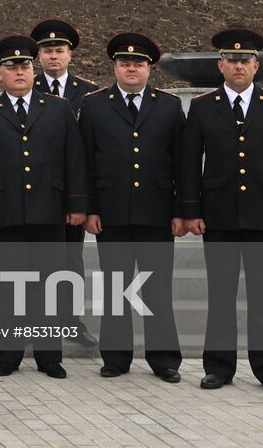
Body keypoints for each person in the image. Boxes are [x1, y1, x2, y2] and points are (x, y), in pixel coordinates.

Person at [180, 28, 263, 396]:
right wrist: (191, 211)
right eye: (231, 60)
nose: (238, 65)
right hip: (217, 214)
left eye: (245, 60)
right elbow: (190, 163)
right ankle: (218, 367)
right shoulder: (203, 107)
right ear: (220, 65)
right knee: (221, 294)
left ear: (256, 66)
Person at [0, 35, 88, 380]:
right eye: (11, 67)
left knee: (49, 287)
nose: (19, 72)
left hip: (50, 210)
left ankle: (49, 357)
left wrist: (77, 204)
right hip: (6, 212)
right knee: (9, 286)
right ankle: (7, 355)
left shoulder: (58, 108)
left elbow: (74, 159)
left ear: (33, 71)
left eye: (25, 66)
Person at [79, 32, 185, 383]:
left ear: (149, 69)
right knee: (115, 289)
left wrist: (180, 211)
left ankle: (164, 358)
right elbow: (86, 163)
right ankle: (116, 357)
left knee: (157, 289)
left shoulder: (169, 105)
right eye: (125, 63)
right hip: (111, 213)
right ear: (115, 67)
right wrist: (90, 209)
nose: (131, 68)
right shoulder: (94, 104)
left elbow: (181, 164)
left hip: (156, 212)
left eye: (138, 64)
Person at [30, 18, 98, 345]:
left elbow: (91, 150)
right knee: (34, 259)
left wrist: (83, 199)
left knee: (71, 260)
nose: (53, 56)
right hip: (37, 190)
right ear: (38, 57)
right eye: (47, 51)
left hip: (72, 191)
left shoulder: (89, 94)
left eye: (59, 50)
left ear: (70, 55)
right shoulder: (27, 89)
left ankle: (71, 322)